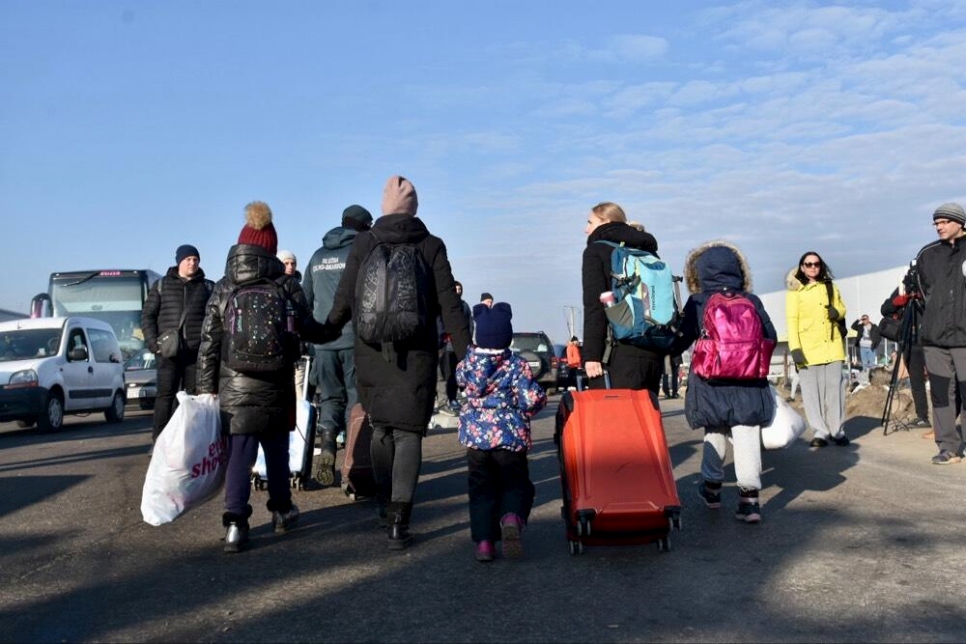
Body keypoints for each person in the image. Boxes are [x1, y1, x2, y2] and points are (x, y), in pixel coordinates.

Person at [320, 176, 472, 549]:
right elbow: (449, 305)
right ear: (414, 207)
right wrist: (469, 356)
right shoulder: (431, 245)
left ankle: (384, 504)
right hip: (416, 354)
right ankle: (399, 522)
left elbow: (344, 301)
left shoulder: (364, 242)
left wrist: (320, 332)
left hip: (370, 350)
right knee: (408, 434)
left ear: (385, 206)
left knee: (382, 428)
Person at [196, 201, 325, 553]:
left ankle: (236, 524)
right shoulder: (285, 285)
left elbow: (209, 342)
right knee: (278, 451)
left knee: (240, 453)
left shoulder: (223, 287)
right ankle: (282, 511)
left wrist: (206, 390)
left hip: (234, 386)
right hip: (277, 383)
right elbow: (310, 328)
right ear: (270, 248)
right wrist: (338, 325)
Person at [673, 241, 776, 523]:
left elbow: (681, 339)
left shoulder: (698, 301)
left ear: (701, 272)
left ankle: (712, 489)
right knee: (745, 434)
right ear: (737, 269)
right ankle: (750, 501)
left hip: (710, 380)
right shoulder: (751, 300)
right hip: (748, 380)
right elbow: (770, 337)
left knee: (715, 431)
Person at [456, 302, 546, 562]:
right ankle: (511, 517)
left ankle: (485, 543)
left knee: (481, 490)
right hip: (509, 437)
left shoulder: (467, 364)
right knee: (515, 484)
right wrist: (535, 402)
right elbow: (530, 399)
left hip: (475, 440)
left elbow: (459, 383)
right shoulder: (516, 365)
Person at [302, 204, 373, 485]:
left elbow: (305, 299)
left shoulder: (317, 256)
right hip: (353, 340)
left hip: (323, 343)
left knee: (330, 398)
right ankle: (351, 463)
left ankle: (328, 449)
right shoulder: (360, 253)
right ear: (363, 227)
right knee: (356, 398)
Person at [581, 201, 663, 392]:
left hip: (616, 352)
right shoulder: (647, 250)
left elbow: (595, 306)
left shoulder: (597, 251)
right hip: (652, 350)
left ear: (606, 221)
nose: (586, 229)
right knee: (645, 419)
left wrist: (592, 355)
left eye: (590, 222)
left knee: (613, 418)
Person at [141, 244, 214, 444]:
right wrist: (153, 344)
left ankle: (187, 441)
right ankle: (160, 443)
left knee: (191, 399)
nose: (192, 263)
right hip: (168, 353)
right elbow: (147, 316)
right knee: (165, 397)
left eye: (195, 259)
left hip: (195, 353)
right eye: (188, 259)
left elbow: (215, 319)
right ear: (179, 261)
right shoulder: (161, 285)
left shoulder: (208, 287)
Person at [915, 202, 966, 464]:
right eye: (936, 223)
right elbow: (922, 292)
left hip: (965, 338)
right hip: (935, 339)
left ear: (960, 222)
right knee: (941, 394)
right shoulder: (928, 254)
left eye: (944, 221)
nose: (939, 226)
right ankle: (948, 447)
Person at [786, 251, 849, 448]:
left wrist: (836, 312)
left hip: (832, 346)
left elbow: (842, 308)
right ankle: (820, 432)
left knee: (835, 391)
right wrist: (795, 348)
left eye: (816, 264)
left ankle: (837, 430)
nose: (813, 267)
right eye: (808, 264)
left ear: (821, 266)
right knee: (811, 393)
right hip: (807, 348)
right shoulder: (795, 293)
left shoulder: (831, 286)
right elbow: (792, 321)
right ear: (802, 267)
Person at [881, 275, 930, 431]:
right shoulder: (904, 288)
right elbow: (885, 309)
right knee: (916, 382)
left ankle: (945, 420)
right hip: (910, 341)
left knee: (939, 382)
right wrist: (899, 301)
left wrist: (922, 298)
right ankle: (922, 417)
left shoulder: (931, 285)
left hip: (931, 340)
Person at [437, 281, 473, 417]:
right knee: (445, 375)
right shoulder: (445, 306)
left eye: (460, 289)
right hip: (445, 346)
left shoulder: (464, 306)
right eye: (456, 289)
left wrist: (467, 342)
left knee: (456, 375)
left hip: (459, 346)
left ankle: (452, 398)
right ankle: (444, 401)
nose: (458, 291)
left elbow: (469, 324)